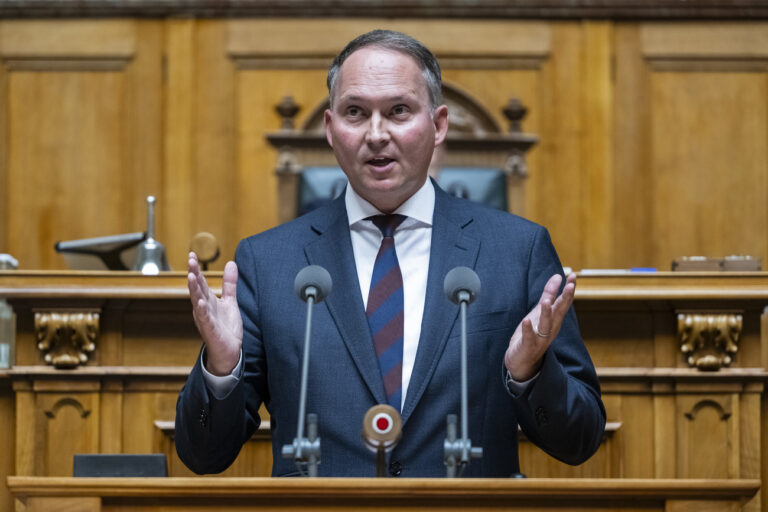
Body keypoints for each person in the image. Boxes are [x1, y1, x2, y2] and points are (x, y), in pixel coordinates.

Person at [176, 29, 605, 478]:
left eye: (398, 111)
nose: (376, 134)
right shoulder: (268, 264)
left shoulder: (516, 252)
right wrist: (221, 370)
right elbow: (204, 455)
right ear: (330, 128)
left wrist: (529, 373)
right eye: (355, 112)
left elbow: (579, 441)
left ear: (439, 125)